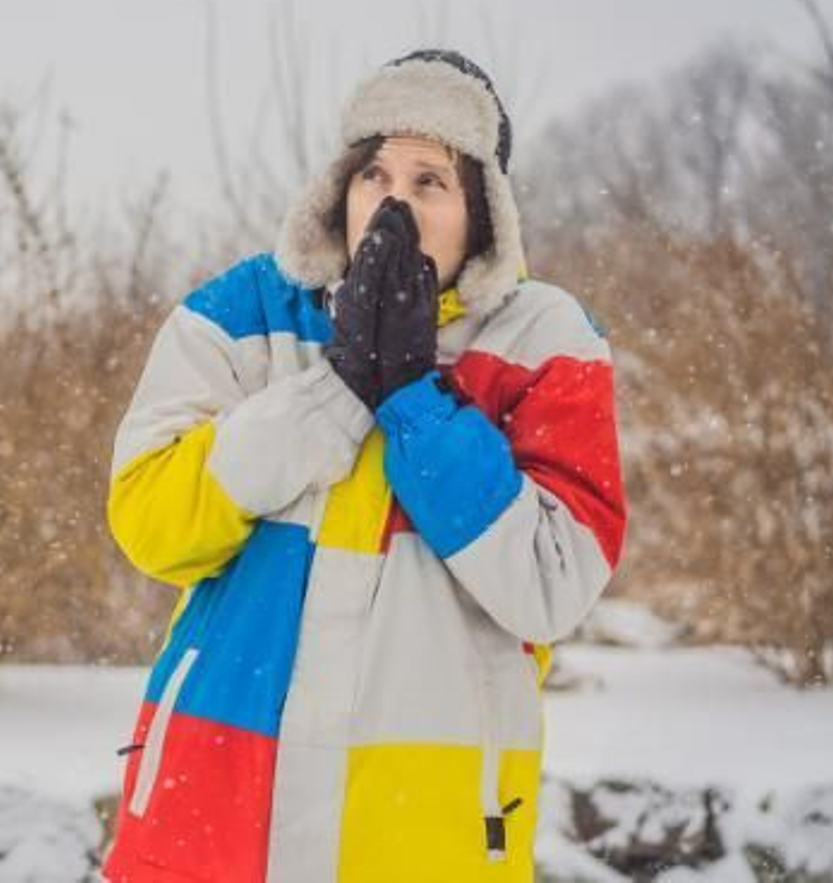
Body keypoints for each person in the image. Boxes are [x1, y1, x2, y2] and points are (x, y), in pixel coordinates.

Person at [99, 49, 628, 881]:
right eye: (375, 173)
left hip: (427, 834)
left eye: (430, 182)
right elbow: (151, 525)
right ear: (339, 189)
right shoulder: (242, 313)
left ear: (484, 212)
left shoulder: (546, 342)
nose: (393, 204)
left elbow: (552, 582)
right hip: (214, 813)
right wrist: (336, 390)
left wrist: (414, 400)